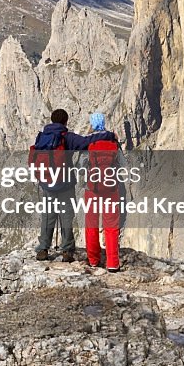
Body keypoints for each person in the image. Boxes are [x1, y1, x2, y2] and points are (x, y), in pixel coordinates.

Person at [32, 108, 117, 262]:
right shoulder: (67, 137)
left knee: (48, 216)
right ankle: (67, 251)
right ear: (66, 122)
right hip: (65, 183)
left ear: (52, 120)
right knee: (66, 215)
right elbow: (87, 142)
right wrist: (108, 135)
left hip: (46, 183)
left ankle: (43, 249)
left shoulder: (41, 137)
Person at [83, 112, 122, 272]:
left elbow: (80, 166)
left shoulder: (89, 144)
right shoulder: (113, 142)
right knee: (111, 226)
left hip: (92, 189)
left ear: (92, 124)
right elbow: (123, 166)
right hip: (111, 189)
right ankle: (112, 263)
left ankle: (93, 260)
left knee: (91, 224)